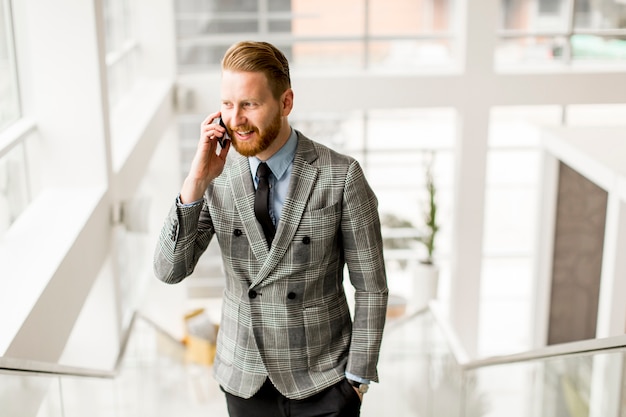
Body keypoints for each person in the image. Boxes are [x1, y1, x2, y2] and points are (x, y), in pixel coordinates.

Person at [154, 40, 388, 417]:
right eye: (228, 105)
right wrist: (196, 180)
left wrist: (356, 380)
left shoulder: (341, 176)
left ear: (285, 103)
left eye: (250, 104)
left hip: (324, 381)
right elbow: (169, 270)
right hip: (245, 379)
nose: (236, 119)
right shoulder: (216, 177)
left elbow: (371, 286)